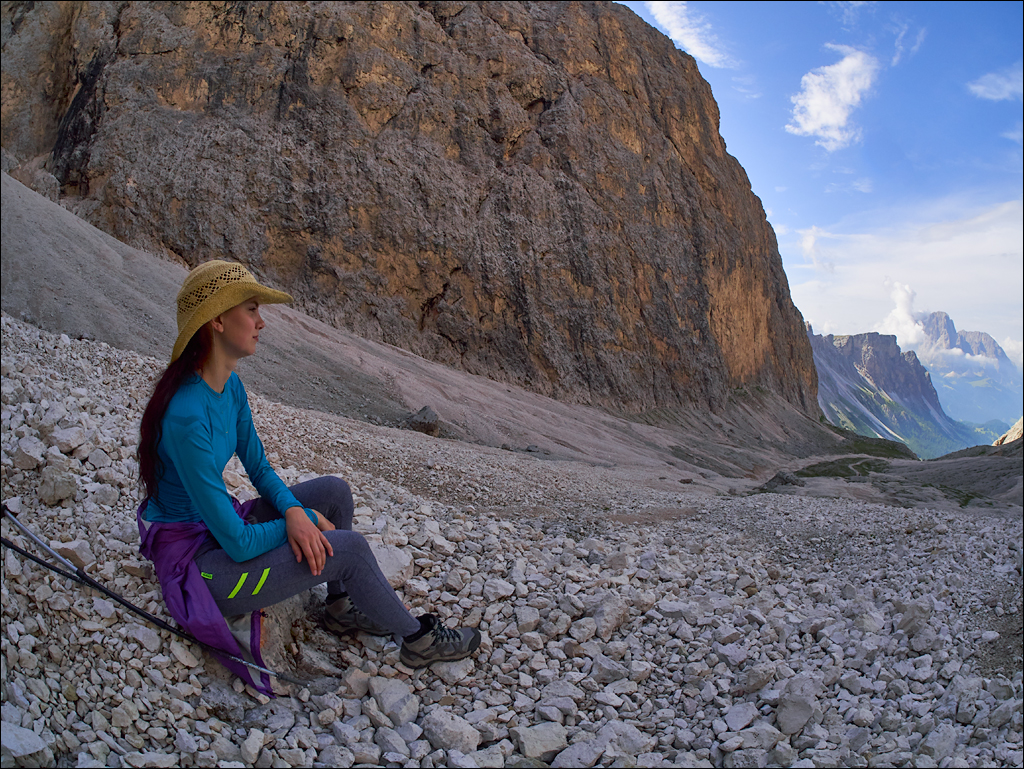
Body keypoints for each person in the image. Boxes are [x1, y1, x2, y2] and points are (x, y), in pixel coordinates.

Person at [135, 260, 479, 690]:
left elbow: (258, 467)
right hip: (199, 568)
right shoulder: (187, 416)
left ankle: (338, 607)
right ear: (218, 320)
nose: (262, 322)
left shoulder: (230, 387)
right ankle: (417, 640)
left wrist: (296, 511)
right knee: (349, 549)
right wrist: (300, 523)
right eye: (252, 310)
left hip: (215, 528)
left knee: (335, 491)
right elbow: (238, 545)